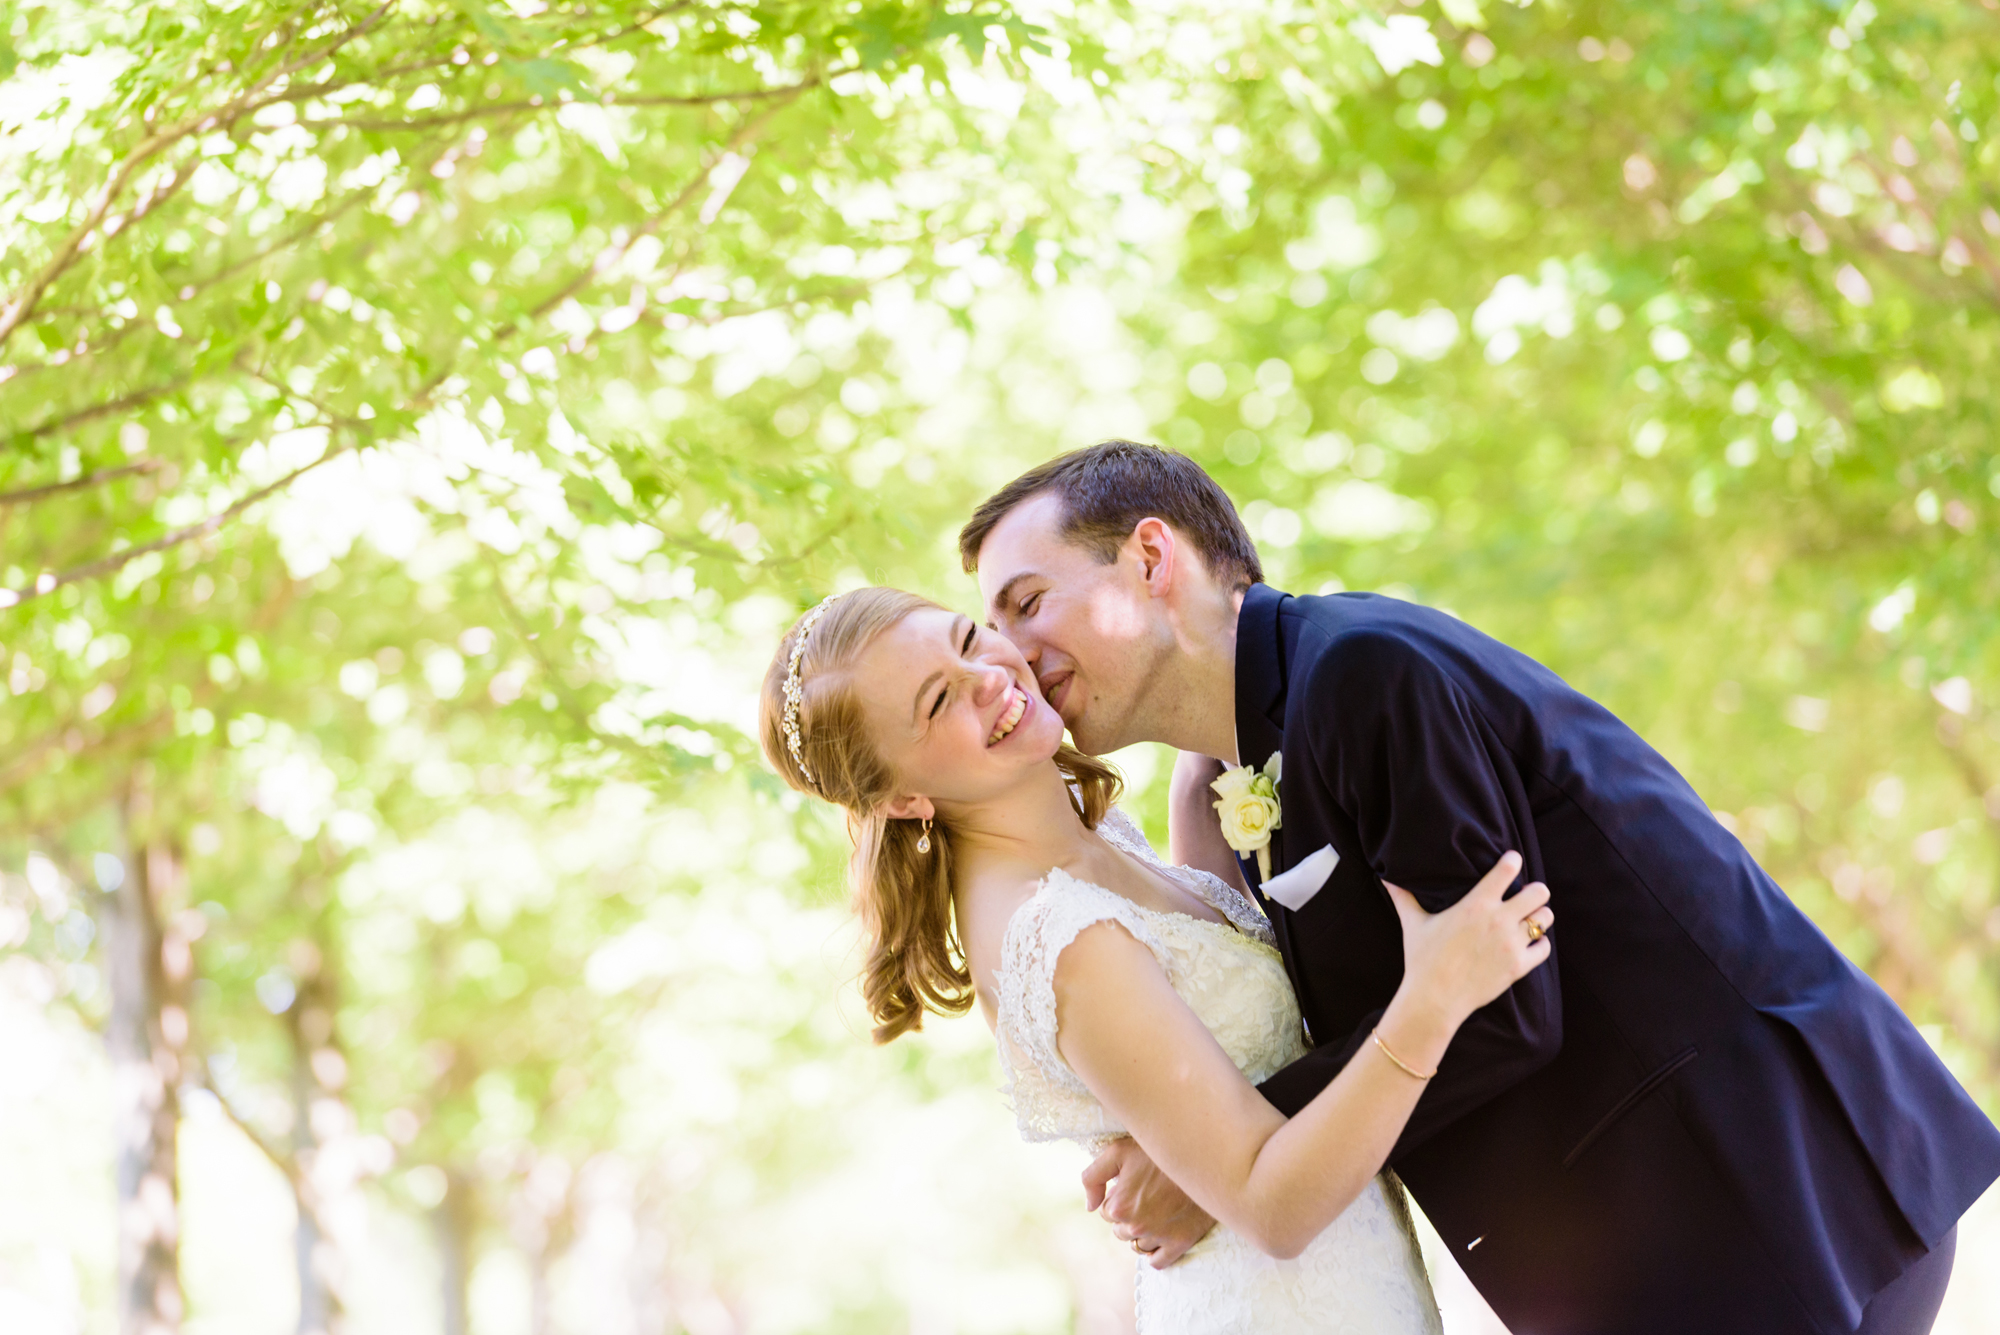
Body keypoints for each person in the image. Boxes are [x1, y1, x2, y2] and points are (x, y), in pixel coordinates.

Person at [957, 440, 2000, 1335]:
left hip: (1760, 1194)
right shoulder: (1245, 756)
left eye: (1026, 602)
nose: (1010, 653)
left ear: (1149, 558)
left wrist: (1228, 1159)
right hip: (1662, 1228)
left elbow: (1502, 1000)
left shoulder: (1360, 674)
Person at [759, 585, 1556, 1332]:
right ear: (902, 799)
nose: (987, 677)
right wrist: (1434, 996)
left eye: (968, 638)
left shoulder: (1086, 844)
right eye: (937, 702)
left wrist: (1203, 731)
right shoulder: (1061, 939)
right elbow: (1270, 1206)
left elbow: (1201, 999)